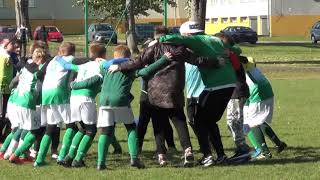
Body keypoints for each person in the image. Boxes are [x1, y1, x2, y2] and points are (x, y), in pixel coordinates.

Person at [109, 26, 219, 167]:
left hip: (155, 91)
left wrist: (119, 67)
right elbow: (198, 60)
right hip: (175, 90)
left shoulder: (152, 48)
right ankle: (188, 150)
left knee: (158, 123)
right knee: (179, 121)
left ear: (156, 36)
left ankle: (161, 155)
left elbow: (138, 62)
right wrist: (216, 62)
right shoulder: (179, 49)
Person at [160, 21, 237, 166]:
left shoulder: (196, 39)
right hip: (229, 83)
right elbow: (236, 49)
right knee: (209, 121)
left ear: (188, 34)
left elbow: (173, 39)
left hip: (215, 85)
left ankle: (207, 155)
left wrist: (161, 38)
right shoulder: (215, 39)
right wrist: (230, 53)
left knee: (198, 120)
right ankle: (220, 155)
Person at [96, 45, 144, 170]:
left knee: (106, 131)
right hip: (120, 100)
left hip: (104, 101)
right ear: (128, 56)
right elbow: (143, 71)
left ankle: (100, 163)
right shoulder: (128, 66)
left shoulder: (106, 67)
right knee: (131, 127)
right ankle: (134, 158)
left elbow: (101, 70)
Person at [34, 42, 76, 167]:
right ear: (72, 52)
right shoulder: (70, 58)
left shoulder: (52, 61)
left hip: (46, 93)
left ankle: (40, 159)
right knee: (71, 124)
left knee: (50, 126)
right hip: (59, 92)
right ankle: (62, 156)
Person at [241, 56, 287, 160]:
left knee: (251, 123)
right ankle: (279, 144)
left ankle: (264, 152)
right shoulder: (252, 66)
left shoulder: (243, 67)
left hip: (258, 95)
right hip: (267, 92)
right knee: (259, 121)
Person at [8, 48, 48, 164]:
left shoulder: (26, 67)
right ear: (40, 59)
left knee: (23, 128)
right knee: (35, 131)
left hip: (18, 101)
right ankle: (16, 155)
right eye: (43, 60)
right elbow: (41, 73)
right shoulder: (36, 70)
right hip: (27, 102)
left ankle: (14, 153)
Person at [216, 33, 251, 158]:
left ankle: (243, 149)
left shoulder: (231, 55)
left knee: (234, 122)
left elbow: (236, 65)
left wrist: (230, 54)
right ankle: (241, 147)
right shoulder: (231, 54)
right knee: (231, 122)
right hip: (234, 93)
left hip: (237, 93)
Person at [0, 38, 17, 143]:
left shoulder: (8, 55)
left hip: (6, 88)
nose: (15, 46)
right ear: (5, 45)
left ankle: (4, 135)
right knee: (2, 113)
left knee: (6, 113)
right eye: (13, 44)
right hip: (4, 88)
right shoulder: (6, 57)